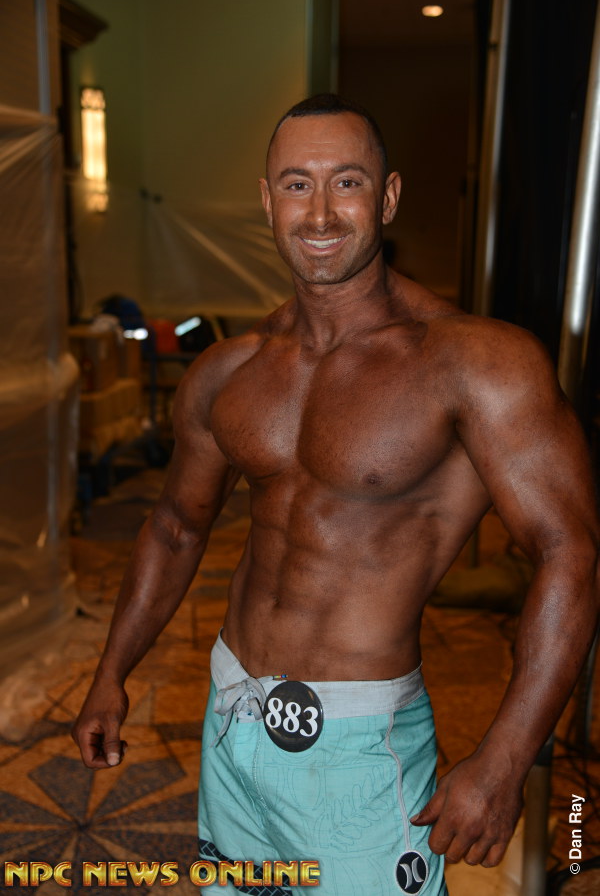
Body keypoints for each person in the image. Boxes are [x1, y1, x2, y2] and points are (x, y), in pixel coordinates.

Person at [72, 94, 599, 895]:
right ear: (267, 200)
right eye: (297, 185)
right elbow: (176, 526)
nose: (319, 212)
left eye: (347, 182)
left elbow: (571, 553)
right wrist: (112, 670)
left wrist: (505, 758)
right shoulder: (232, 368)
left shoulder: (473, 364)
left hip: (359, 744)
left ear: (387, 197)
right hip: (232, 716)